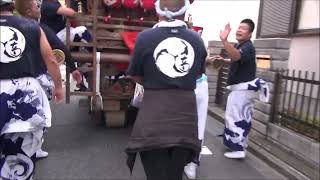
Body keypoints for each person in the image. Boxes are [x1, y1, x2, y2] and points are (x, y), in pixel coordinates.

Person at [125, 0, 206, 179]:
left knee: (155, 174)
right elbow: (197, 74)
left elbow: (135, 74)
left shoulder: (145, 37)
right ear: (184, 12)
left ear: (158, 12)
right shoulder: (197, 40)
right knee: (174, 174)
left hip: (154, 115)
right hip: (185, 119)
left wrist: (154, 82)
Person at [0, 0, 63, 178]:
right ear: (12, 7)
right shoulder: (31, 26)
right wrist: (58, 86)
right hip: (24, 92)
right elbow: (50, 58)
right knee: (21, 152)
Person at [14, 0, 82, 159]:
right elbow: (56, 52)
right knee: (39, 114)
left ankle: (18, 146)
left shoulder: (10, 27)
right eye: (36, 6)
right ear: (29, 12)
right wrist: (71, 70)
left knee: (18, 114)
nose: (39, 7)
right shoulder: (37, 28)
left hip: (11, 80)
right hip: (34, 79)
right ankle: (33, 148)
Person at [213, 19, 256, 159]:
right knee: (238, 117)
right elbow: (236, 59)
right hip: (240, 90)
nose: (239, 30)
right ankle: (238, 143)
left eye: (243, 28)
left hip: (242, 91)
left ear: (250, 34)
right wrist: (224, 60)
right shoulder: (242, 45)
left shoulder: (248, 46)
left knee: (236, 118)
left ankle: (239, 150)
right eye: (239, 27)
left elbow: (237, 56)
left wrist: (224, 41)